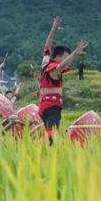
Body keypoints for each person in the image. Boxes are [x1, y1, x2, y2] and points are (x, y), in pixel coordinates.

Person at [39, 16, 88, 145]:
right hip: (52, 106)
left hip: (43, 106)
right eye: (65, 58)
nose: (67, 61)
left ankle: (48, 150)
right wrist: (76, 52)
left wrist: (53, 28)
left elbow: (47, 44)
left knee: (49, 131)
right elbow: (61, 65)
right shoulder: (53, 70)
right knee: (52, 134)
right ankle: (52, 151)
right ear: (59, 56)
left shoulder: (45, 62)